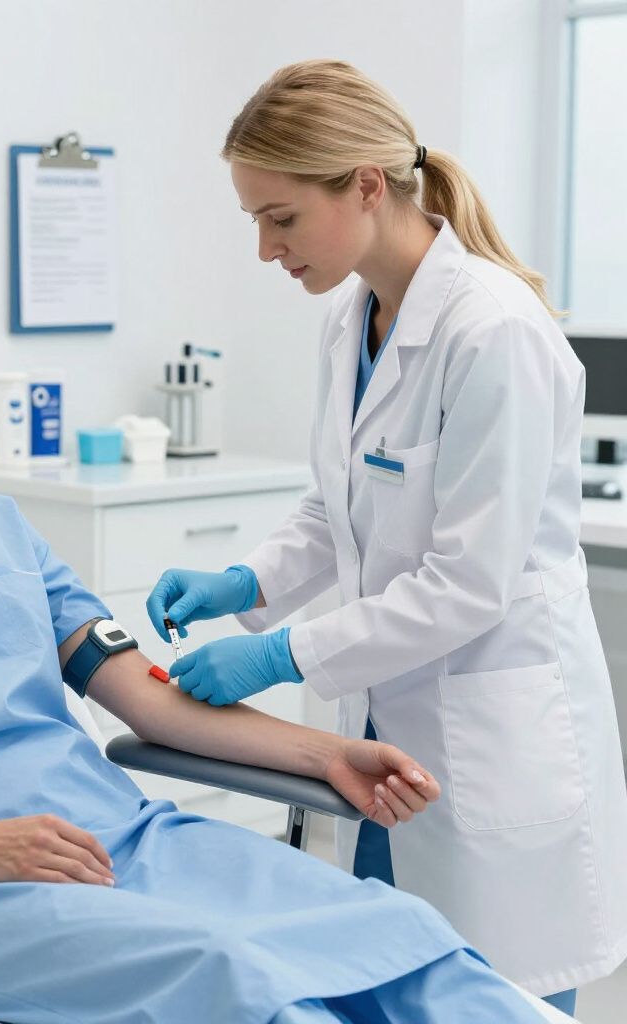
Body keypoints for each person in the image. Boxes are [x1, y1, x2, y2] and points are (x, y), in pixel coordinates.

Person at [0, 232, 548, 1023]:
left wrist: (324, 754)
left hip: (122, 840)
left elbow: (149, 703)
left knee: (393, 933)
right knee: (244, 983)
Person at [146, 59, 627, 1015]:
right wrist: (244, 582)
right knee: (384, 971)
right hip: (386, 730)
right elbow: (340, 510)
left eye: (279, 218)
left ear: (367, 185)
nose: (264, 250)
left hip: (489, 729)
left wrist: (281, 652)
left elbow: (466, 583)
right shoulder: (351, 318)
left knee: (493, 998)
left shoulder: (495, 332)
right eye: (254, 221)